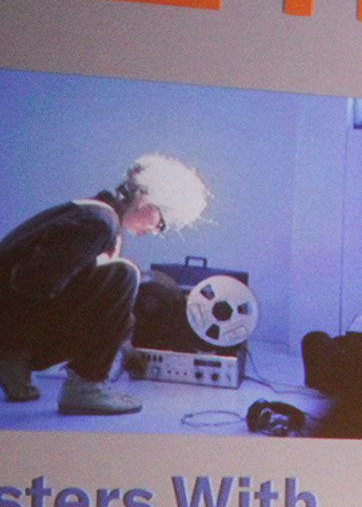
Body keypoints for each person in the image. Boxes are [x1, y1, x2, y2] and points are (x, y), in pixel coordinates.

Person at [0, 152, 211, 415]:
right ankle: (84, 387)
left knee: (119, 292)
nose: (157, 231)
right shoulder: (98, 222)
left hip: (10, 317)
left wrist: (123, 342)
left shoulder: (92, 212)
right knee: (124, 274)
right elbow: (33, 283)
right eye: (162, 223)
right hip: (9, 323)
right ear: (148, 200)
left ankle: (14, 358)